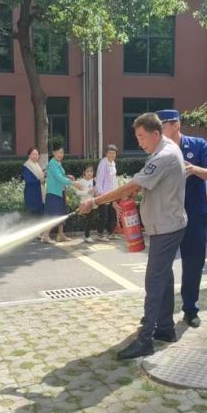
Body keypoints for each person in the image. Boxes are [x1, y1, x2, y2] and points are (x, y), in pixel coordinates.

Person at [77, 112, 186, 359]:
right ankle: (165, 329)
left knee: (154, 281)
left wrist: (94, 201)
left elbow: (133, 185)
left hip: (166, 227)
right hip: (167, 225)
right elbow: (149, 186)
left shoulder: (164, 156)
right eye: (137, 137)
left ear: (156, 133)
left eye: (141, 136)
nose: (139, 142)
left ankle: (145, 339)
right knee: (164, 278)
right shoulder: (164, 150)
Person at [157, 109, 207, 328]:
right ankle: (159, 312)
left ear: (175, 125)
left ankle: (190, 309)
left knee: (193, 263)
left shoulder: (197, 145)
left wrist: (195, 169)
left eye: (162, 126)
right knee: (162, 265)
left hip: (194, 214)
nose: (158, 131)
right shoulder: (158, 150)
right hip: (168, 215)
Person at [41, 142, 82, 243]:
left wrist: (67, 176)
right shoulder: (52, 164)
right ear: (53, 152)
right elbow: (59, 178)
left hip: (60, 192)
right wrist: (73, 183)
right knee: (53, 215)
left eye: (62, 152)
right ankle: (45, 236)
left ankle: (61, 235)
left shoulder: (57, 163)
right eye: (58, 152)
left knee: (61, 213)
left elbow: (60, 176)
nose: (60, 154)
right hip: (54, 193)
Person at [95, 144, 119, 241]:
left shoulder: (113, 163)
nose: (112, 155)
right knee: (103, 215)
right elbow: (99, 180)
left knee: (112, 214)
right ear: (106, 154)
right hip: (104, 194)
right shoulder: (103, 164)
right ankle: (100, 234)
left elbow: (113, 180)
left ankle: (110, 233)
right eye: (110, 153)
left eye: (114, 153)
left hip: (112, 194)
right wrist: (101, 194)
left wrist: (117, 192)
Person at [75, 165, 97, 244]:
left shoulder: (93, 181)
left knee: (90, 220)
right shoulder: (81, 181)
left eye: (91, 171)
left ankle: (87, 235)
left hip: (91, 203)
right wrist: (87, 192)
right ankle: (87, 236)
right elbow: (77, 192)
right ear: (84, 172)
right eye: (88, 171)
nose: (90, 173)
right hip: (84, 203)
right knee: (88, 220)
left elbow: (95, 191)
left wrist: (95, 193)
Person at [22, 147, 45, 217]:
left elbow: (40, 176)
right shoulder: (27, 166)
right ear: (29, 155)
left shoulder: (37, 165)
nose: (35, 156)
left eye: (36, 154)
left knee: (39, 216)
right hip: (31, 194)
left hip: (39, 193)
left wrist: (44, 174)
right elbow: (28, 181)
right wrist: (40, 180)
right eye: (33, 154)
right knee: (33, 216)